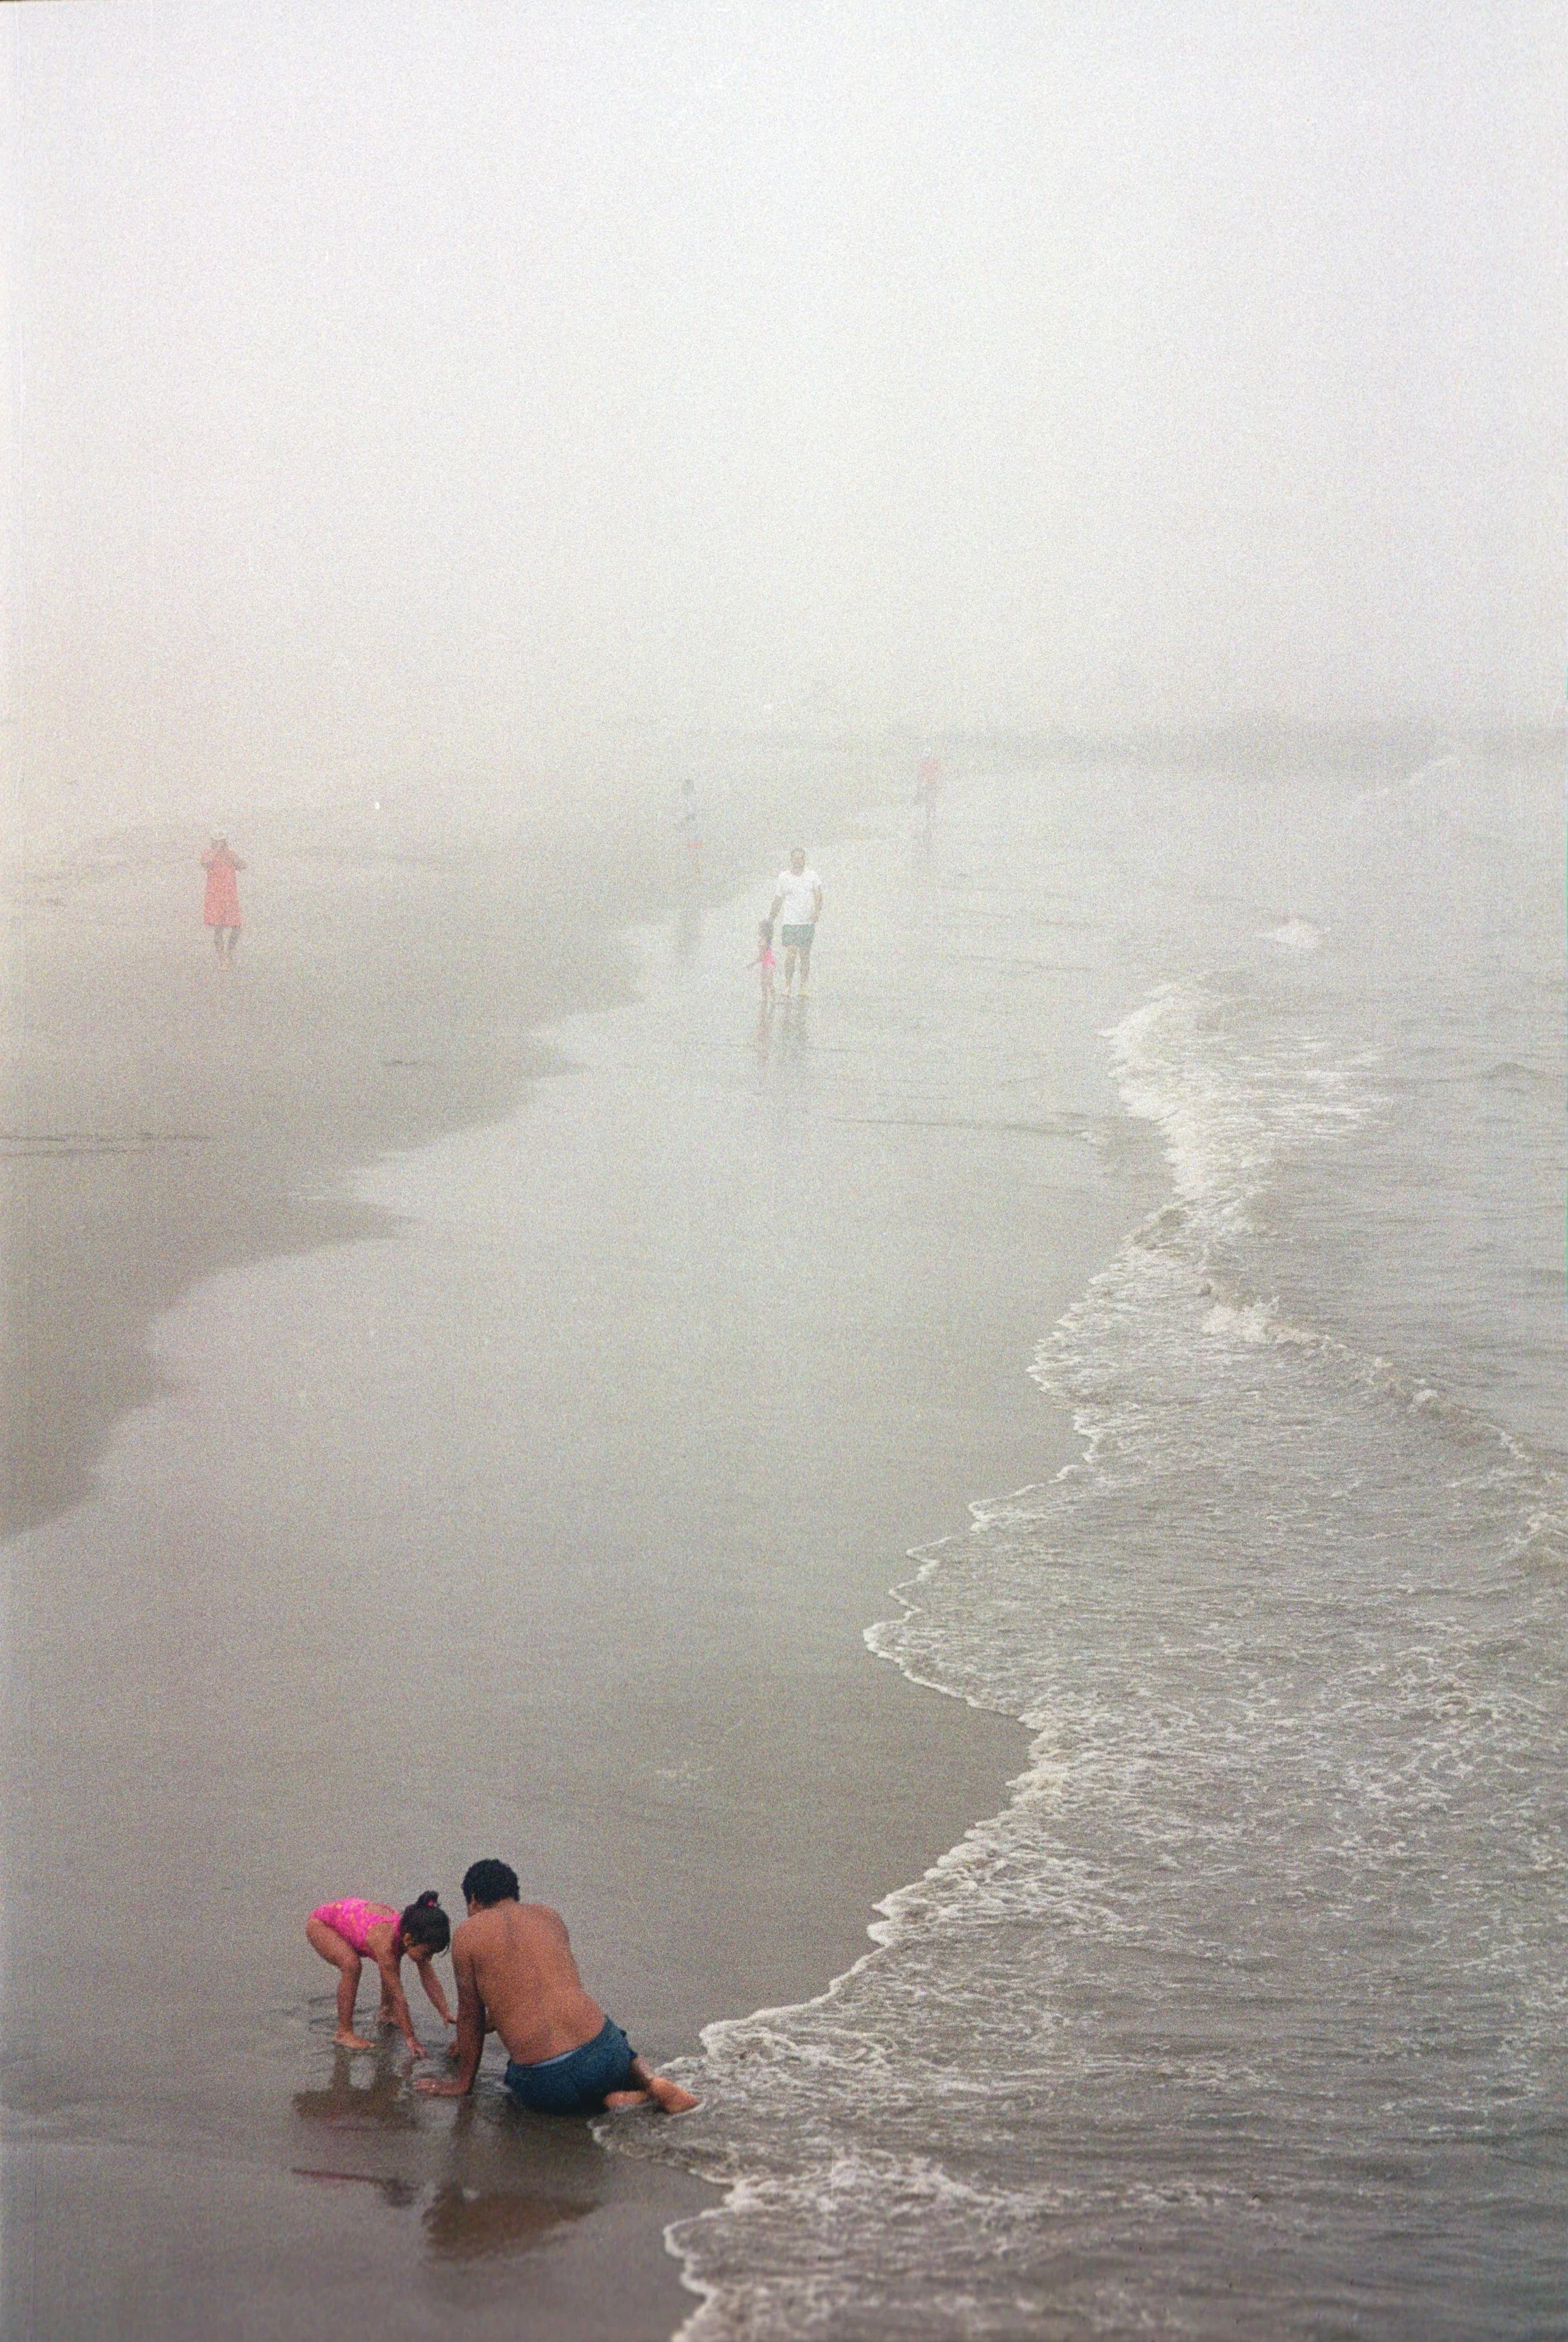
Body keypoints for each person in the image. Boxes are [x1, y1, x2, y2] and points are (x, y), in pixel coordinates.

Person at [414, 1858, 699, 2116]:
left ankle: (621, 2102)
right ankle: (650, 2083)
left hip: (549, 2080)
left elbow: (471, 2016)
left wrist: (462, 2083)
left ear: (473, 1900)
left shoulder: (468, 1934)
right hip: (605, 2051)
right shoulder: (549, 1916)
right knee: (614, 2039)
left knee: (519, 2086)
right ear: (514, 1893)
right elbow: (541, 1996)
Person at [305, 1892, 458, 2057]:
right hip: (322, 1925)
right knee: (352, 1965)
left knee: (392, 1966)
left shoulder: (410, 1932)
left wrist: (444, 2010)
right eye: (428, 1953)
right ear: (408, 1939)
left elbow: (429, 1978)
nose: (428, 1958)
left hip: (352, 1920)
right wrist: (411, 2038)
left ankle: (387, 2012)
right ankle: (344, 2032)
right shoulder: (385, 1943)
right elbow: (398, 1995)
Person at [767, 848, 823, 998]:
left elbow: (819, 894)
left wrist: (817, 912)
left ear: (805, 860)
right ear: (791, 860)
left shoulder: (812, 876)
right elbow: (778, 899)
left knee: (805, 955)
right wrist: (771, 919)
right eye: (796, 858)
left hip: (807, 923)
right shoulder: (784, 877)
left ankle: (803, 986)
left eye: (802, 858)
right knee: (791, 953)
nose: (799, 861)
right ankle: (788, 985)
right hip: (790, 923)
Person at [201, 836, 245, 963]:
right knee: (218, 928)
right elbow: (205, 863)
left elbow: (243, 865)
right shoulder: (208, 854)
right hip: (215, 897)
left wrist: (227, 853)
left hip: (231, 897)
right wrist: (216, 851)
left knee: (237, 927)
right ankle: (222, 959)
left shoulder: (230, 854)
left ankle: (229, 952)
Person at [751, 917, 777, 1006]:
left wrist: (752, 964)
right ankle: (766, 998)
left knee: (769, 982)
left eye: (759, 928)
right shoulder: (763, 941)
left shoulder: (763, 943)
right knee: (763, 982)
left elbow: (761, 957)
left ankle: (772, 998)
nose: (758, 930)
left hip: (768, 964)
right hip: (766, 964)